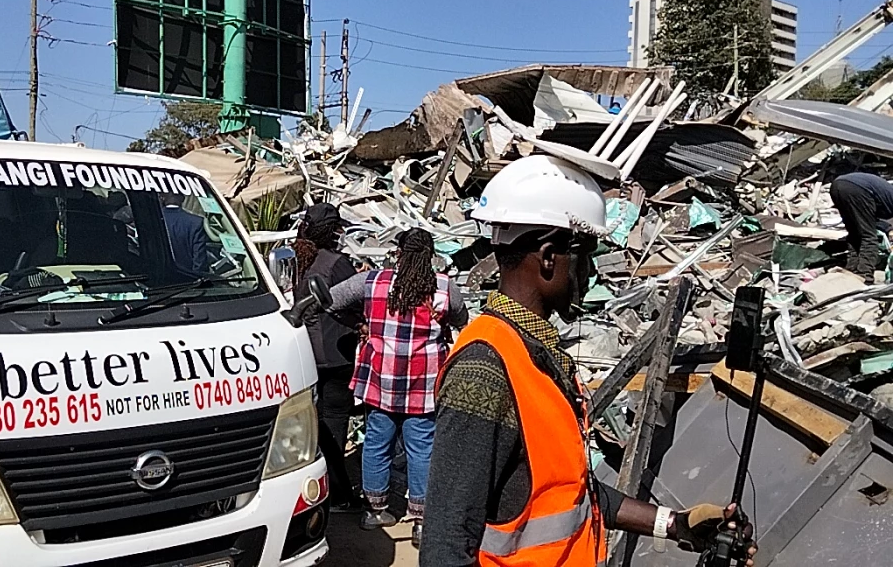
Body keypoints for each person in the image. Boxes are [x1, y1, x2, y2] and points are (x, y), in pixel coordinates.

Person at [420, 155, 756, 567]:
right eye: (586, 255)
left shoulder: (535, 352)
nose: (592, 270)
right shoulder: (486, 369)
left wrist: (675, 524)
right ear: (548, 257)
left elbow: (572, 493)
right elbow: (444, 548)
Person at [330, 227, 468, 547]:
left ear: (399, 252)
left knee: (377, 443)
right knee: (422, 449)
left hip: (381, 380)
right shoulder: (445, 288)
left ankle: (375, 512)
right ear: (430, 255)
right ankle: (421, 521)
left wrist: (359, 324)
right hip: (424, 382)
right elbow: (462, 319)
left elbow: (332, 300)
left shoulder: (372, 282)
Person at [292, 202, 363, 512]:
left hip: (308, 353)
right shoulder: (336, 264)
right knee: (335, 424)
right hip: (336, 354)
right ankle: (338, 494)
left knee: (318, 422)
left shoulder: (301, 260)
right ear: (334, 231)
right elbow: (355, 303)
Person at [830, 172, 893, 281]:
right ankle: (864, 275)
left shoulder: (886, 198)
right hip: (858, 189)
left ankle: (851, 270)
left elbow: (875, 220)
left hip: (837, 185)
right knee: (868, 236)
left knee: (855, 233)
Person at [159, 191, 208, 275]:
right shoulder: (196, 222)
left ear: (162, 198)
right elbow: (199, 261)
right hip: (186, 280)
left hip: (157, 281)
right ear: (183, 199)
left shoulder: (152, 221)